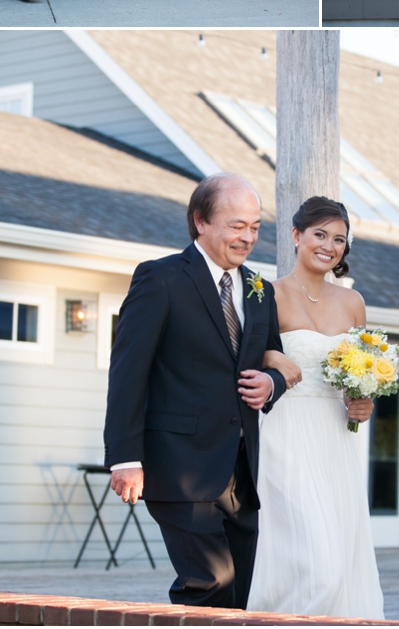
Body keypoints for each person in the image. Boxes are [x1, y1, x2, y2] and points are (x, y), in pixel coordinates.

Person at [104, 174, 301, 610]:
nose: (248, 237)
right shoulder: (160, 279)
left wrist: (273, 384)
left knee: (241, 591)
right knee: (208, 584)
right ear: (200, 222)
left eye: (254, 227)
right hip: (180, 467)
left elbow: (276, 359)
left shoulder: (259, 290)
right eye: (236, 225)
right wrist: (124, 458)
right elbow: (127, 373)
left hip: (241, 474)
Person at [247, 197, 385, 619]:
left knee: (341, 558)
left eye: (339, 239)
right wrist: (273, 358)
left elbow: (360, 377)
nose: (329, 246)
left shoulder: (353, 303)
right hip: (286, 432)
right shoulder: (265, 294)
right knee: (315, 562)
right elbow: (245, 358)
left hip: (334, 439)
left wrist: (364, 403)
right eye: (319, 234)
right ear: (296, 236)